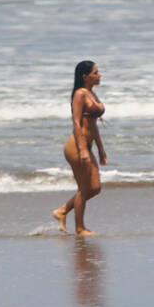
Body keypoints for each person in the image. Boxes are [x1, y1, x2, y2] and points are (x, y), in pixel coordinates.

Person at [52, 60, 106, 236]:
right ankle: (80, 228)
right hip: (76, 146)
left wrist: (100, 148)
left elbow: (93, 125)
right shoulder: (80, 94)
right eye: (96, 73)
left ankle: (62, 211)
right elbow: (76, 122)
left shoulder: (92, 94)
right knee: (84, 188)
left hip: (87, 145)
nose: (99, 75)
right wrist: (83, 149)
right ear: (85, 76)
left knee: (95, 187)